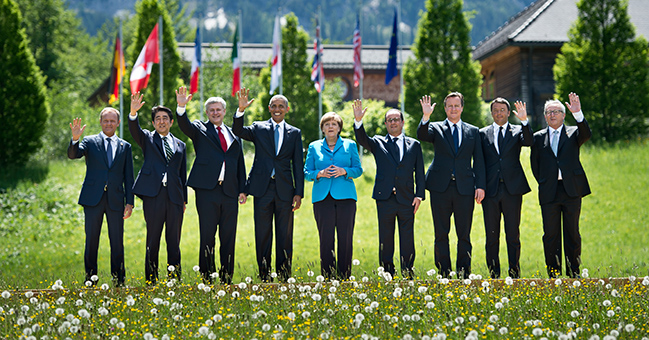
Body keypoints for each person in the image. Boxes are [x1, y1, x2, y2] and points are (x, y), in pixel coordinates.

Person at [175, 86, 247, 284]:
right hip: (207, 191)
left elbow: (239, 162)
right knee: (208, 235)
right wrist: (181, 107)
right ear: (207, 113)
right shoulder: (200, 129)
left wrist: (243, 189)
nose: (215, 113)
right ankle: (207, 279)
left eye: (219, 110)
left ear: (224, 112)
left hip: (230, 192)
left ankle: (226, 279)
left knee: (228, 237)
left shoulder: (234, 134)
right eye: (212, 110)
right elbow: (184, 126)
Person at [232, 88, 304, 282]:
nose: (277, 109)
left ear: (287, 109)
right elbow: (237, 131)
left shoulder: (295, 133)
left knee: (285, 236)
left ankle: (284, 277)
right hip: (262, 189)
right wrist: (240, 110)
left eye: (281, 106)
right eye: (274, 106)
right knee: (262, 234)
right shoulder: (259, 128)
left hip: (285, 191)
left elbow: (298, 164)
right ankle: (264, 277)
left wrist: (299, 193)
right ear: (269, 108)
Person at [352, 100, 425, 279]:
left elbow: (420, 172)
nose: (393, 122)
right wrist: (358, 121)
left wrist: (419, 195)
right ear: (385, 124)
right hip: (385, 198)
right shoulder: (378, 142)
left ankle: (408, 273)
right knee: (386, 238)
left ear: (402, 122)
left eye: (396, 119)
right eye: (389, 120)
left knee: (407, 238)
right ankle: (387, 274)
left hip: (407, 198)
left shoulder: (414, 145)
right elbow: (362, 140)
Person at [417, 93, 486, 279]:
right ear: (445, 108)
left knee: (464, 234)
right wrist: (426, 116)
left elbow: (479, 161)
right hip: (440, 188)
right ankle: (444, 274)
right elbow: (422, 135)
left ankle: (464, 274)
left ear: (462, 108)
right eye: (449, 106)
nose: (453, 109)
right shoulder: (436, 128)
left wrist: (480, 185)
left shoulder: (473, 131)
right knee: (441, 233)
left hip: (465, 188)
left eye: (457, 106)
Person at [67, 108, 134, 287]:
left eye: (112, 121)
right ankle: (90, 281)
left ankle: (119, 282)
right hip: (92, 199)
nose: (109, 124)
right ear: (100, 122)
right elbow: (73, 155)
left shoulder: (125, 146)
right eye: (105, 120)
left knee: (117, 243)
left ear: (118, 123)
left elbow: (129, 176)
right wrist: (75, 139)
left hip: (116, 200)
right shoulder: (89, 141)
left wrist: (130, 202)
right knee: (91, 242)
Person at [128, 92, 187, 285]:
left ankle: (174, 282)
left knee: (174, 242)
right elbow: (134, 129)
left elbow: (182, 173)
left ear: (171, 122)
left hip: (175, 198)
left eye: (165, 119)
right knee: (152, 241)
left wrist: (184, 199)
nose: (161, 122)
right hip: (154, 196)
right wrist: (133, 113)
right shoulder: (147, 139)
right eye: (157, 119)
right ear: (153, 123)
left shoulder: (180, 144)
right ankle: (151, 282)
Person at [531, 92, 591, 279]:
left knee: (572, 233)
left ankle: (574, 274)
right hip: (549, 192)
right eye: (548, 112)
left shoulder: (573, 132)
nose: (552, 115)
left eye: (556, 111)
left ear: (564, 115)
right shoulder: (538, 137)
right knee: (550, 235)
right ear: (545, 115)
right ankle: (554, 276)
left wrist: (578, 113)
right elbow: (535, 165)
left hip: (571, 190)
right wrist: (545, 181)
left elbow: (586, 134)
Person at [304, 112, 362, 280]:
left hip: (346, 198)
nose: (330, 127)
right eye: (327, 124)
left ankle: (344, 278)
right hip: (322, 199)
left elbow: (358, 169)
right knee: (326, 239)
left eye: (334, 124)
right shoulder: (314, 146)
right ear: (322, 128)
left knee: (345, 238)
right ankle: (328, 278)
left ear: (339, 128)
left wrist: (345, 171)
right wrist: (319, 173)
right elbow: (307, 172)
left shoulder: (350, 145)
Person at [478, 98, 532, 279]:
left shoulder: (517, 131)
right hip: (490, 191)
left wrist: (524, 120)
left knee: (513, 234)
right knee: (491, 235)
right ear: (491, 113)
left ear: (508, 113)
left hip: (512, 190)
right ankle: (494, 275)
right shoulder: (482, 133)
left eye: (502, 110)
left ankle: (514, 273)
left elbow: (530, 141)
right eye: (495, 110)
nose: (499, 113)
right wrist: (480, 186)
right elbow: (479, 163)